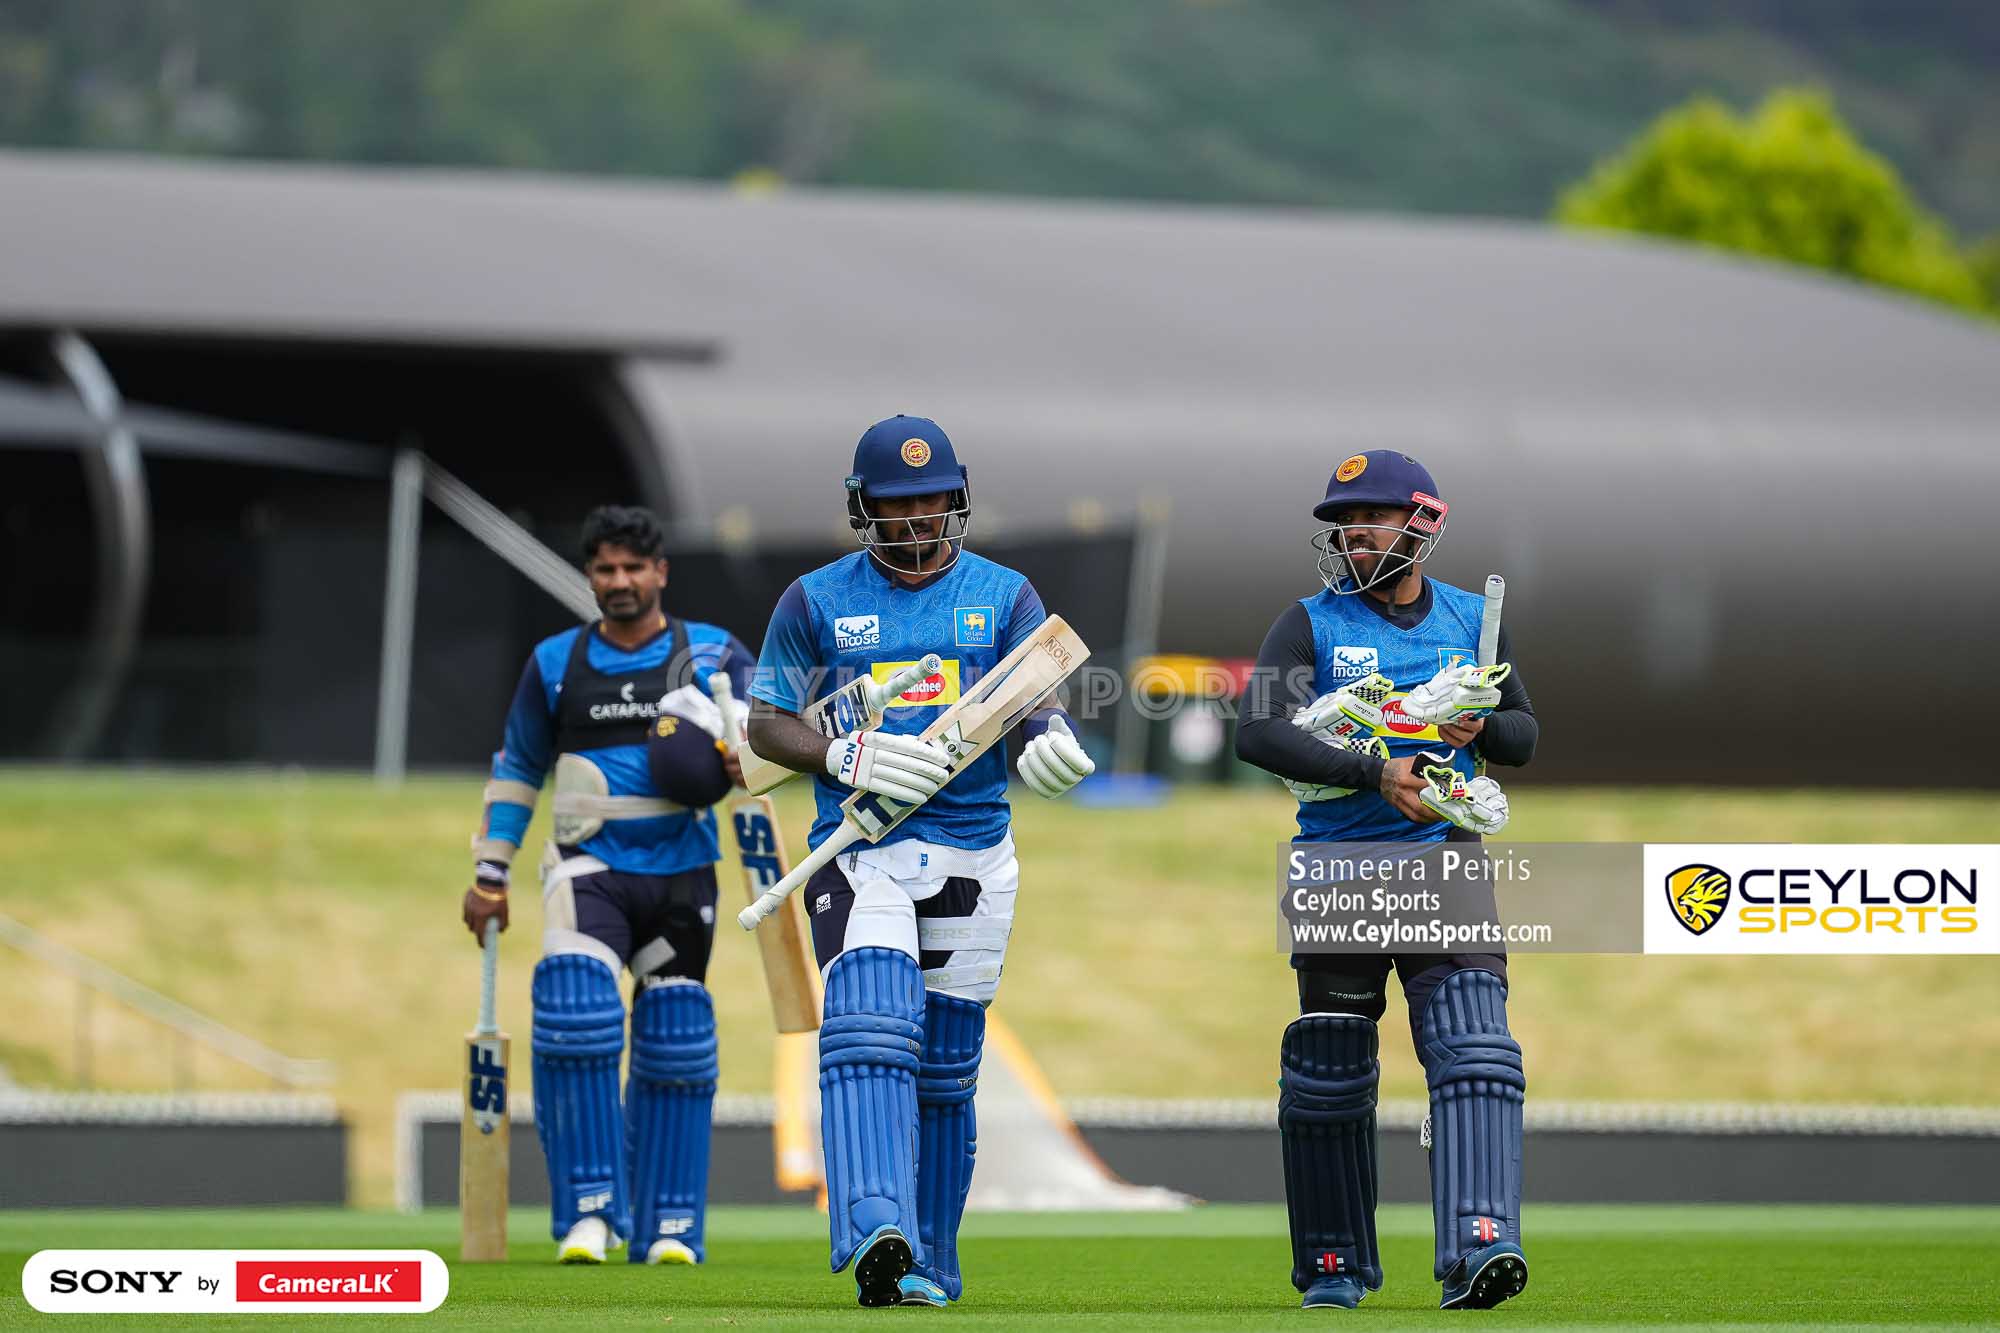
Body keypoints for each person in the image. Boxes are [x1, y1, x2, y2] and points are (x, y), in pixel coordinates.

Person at [745, 415, 1095, 1308]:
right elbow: (766, 726)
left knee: (944, 1070)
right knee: (868, 1024)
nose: (915, 516)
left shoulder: (1005, 593)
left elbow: (1036, 695)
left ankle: (928, 1261)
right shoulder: (815, 599)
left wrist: (1049, 738)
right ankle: (875, 1226)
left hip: (975, 852)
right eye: (897, 502)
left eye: (931, 497)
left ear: (957, 496)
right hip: (858, 847)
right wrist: (842, 754)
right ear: (864, 506)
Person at [1234, 450, 1539, 1311]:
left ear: (1422, 524)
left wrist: (1483, 725)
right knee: (1329, 1072)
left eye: (1371, 517)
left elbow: (1524, 732)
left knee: (1476, 1047)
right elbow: (1257, 731)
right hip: (1341, 867)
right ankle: (1334, 1263)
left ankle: (1480, 1244)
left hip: (1445, 857)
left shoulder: (1472, 619)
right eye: (1344, 522)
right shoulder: (1308, 623)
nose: (1354, 534)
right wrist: (1376, 772)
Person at [460, 504, 755, 1266]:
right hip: (587, 868)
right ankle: (591, 1213)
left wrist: (748, 758)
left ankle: (669, 1225)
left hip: (682, 872)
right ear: (590, 575)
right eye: (605, 568)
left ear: (661, 572)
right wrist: (490, 870)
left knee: (676, 1036)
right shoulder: (555, 662)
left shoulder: (713, 653)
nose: (619, 580)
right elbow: (518, 766)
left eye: (633, 567)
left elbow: (772, 735)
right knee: (575, 1014)